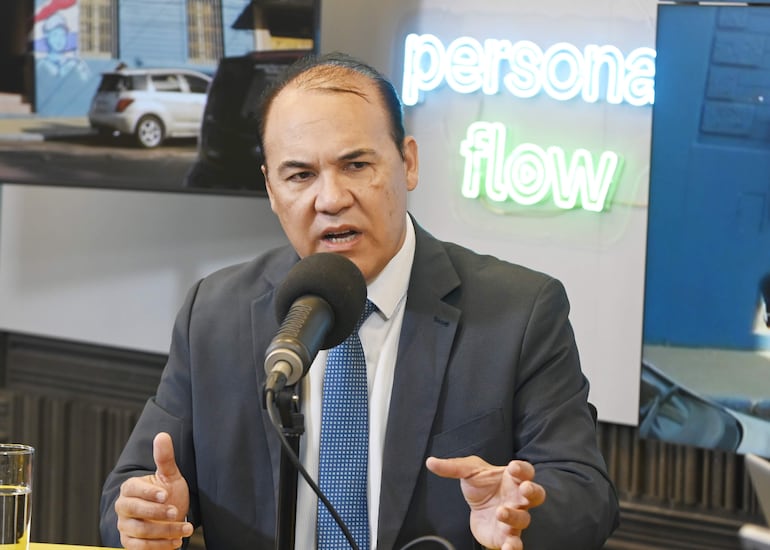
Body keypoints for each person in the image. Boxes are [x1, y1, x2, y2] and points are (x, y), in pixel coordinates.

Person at [99, 51, 619, 550]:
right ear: (272, 189)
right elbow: (132, 487)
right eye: (300, 175)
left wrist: (523, 513)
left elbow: (585, 495)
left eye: (355, 165)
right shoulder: (215, 313)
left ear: (408, 163)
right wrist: (145, 516)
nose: (331, 199)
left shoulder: (520, 312)